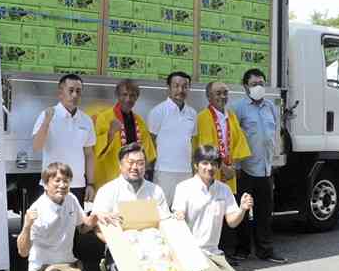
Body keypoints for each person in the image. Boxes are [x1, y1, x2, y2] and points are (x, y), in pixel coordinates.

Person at [92, 143, 186, 271]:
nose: (135, 167)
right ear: (120, 165)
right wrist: (118, 246)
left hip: (154, 253)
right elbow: (98, 228)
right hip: (121, 252)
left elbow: (164, 223)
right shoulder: (108, 191)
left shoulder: (155, 191)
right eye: (131, 162)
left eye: (141, 163)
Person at [17, 162, 113, 271]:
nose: (62, 185)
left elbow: (83, 227)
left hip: (69, 263)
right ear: (46, 184)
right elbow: (23, 252)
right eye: (57, 181)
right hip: (44, 267)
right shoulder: (37, 209)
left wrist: (96, 217)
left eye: (66, 181)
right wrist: (26, 226)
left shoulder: (71, 198)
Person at [172, 145, 254, 271]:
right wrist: (178, 216)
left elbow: (232, 222)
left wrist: (243, 209)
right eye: (204, 163)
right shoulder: (184, 188)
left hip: (214, 253)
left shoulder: (224, 189)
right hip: (191, 252)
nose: (209, 168)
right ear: (196, 165)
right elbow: (178, 216)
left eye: (214, 164)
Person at [227, 69, 286, 264]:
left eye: (261, 82)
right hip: (245, 169)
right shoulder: (238, 108)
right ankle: (242, 249)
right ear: (245, 86)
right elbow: (232, 138)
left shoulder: (270, 107)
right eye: (253, 84)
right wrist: (234, 165)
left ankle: (265, 251)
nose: (258, 87)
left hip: (266, 169)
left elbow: (273, 135)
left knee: (264, 212)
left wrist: (274, 161)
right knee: (243, 211)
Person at [32, 74, 96, 207]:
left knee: (74, 227)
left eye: (78, 91)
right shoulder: (47, 114)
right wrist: (46, 122)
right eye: (70, 90)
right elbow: (37, 146)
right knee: (49, 225)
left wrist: (90, 183)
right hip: (52, 184)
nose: (74, 95)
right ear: (60, 93)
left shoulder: (86, 120)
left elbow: (89, 154)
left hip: (77, 184)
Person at [93, 79, 157, 190]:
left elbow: (147, 153)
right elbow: (95, 149)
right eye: (124, 94)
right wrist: (110, 133)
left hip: (133, 176)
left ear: (136, 98)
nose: (128, 99)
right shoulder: (104, 117)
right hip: (110, 176)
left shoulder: (139, 121)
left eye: (132, 95)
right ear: (117, 96)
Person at [147, 71, 198, 203]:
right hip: (163, 172)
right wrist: (148, 169)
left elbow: (191, 142)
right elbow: (150, 142)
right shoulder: (158, 111)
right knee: (162, 210)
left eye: (185, 86)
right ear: (168, 88)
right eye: (176, 86)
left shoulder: (192, 113)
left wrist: (193, 170)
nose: (180, 90)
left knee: (183, 211)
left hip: (186, 172)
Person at [194, 81, 251, 195]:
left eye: (225, 93)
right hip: (210, 171)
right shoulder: (202, 117)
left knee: (227, 209)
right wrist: (224, 168)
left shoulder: (231, 116)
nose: (222, 96)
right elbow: (206, 149)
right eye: (218, 93)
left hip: (229, 174)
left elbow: (239, 143)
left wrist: (232, 167)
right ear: (209, 97)